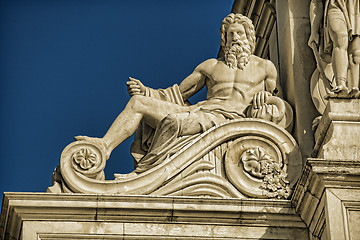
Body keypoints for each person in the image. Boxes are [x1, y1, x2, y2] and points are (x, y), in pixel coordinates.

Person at [75, 13, 282, 173]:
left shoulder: (265, 67)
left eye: (240, 34)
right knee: (139, 102)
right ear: (224, 40)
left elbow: (277, 103)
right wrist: (146, 91)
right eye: (230, 34)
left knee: (174, 122)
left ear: (249, 38)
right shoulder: (210, 66)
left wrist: (265, 98)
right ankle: (103, 146)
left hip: (231, 119)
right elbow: (177, 94)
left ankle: (148, 169)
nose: (235, 38)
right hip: (204, 112)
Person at [308, 0, 360, 95]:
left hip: (355, 8)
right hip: (335, 5)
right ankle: (341, 84)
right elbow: (316, 3)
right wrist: (314, 31)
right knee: (340, 37)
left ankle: (355, 88)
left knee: (356, 53)